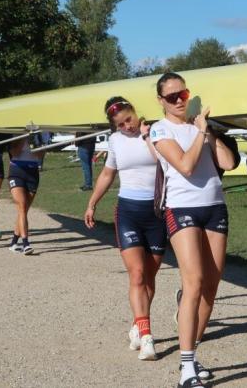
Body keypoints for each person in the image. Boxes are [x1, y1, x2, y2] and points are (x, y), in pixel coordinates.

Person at [149, 72, 236, 388]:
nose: (178, 101)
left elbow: (228, 164)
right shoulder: (160, 129)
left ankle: (193, 353)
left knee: (211, 287)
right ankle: (186, 368)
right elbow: (185, 165)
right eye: (171, 97)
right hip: (182, 208)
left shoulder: (200, 127)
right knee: (195, 281)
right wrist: (200, 132)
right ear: (161, 101)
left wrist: (209, 132)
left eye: (182, 94)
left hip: (215, 206)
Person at [84, 97, 166, 361]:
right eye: (120, 125)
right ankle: (147, 336)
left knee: (150, 277)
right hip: (128, 212)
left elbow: (166, 162)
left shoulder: (154, 131)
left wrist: (147, 137)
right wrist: (92, 203)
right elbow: (108, 173)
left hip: (157, 212)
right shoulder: (115, 141)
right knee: (138, 273)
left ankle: (137, 324)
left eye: (128, 119)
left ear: (135, 112)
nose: (127, 126)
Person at [7, 133, 47, 255]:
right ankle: (26, 243)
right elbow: (14, 153)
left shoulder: (42, 133)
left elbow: (40, 155)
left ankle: (14, 242)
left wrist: (35, 143)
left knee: (23, 210)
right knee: (22, 206)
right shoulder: (17, 131)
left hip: (32, 172)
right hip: (17, 170)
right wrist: (24, 137)